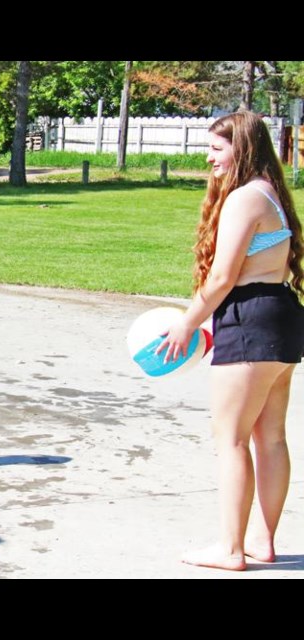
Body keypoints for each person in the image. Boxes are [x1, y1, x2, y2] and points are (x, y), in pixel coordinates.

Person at [158, 110, 304, 571]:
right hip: (280, 316)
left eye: (217, 149)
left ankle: (232, 549)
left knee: (232, 440)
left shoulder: (244, 198)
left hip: (250, 319)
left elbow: (223, 276)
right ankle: (261, 541)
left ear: (241, 147)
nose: (209, 157)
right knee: (271, 438)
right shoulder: (272, 192)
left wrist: (188, 321)